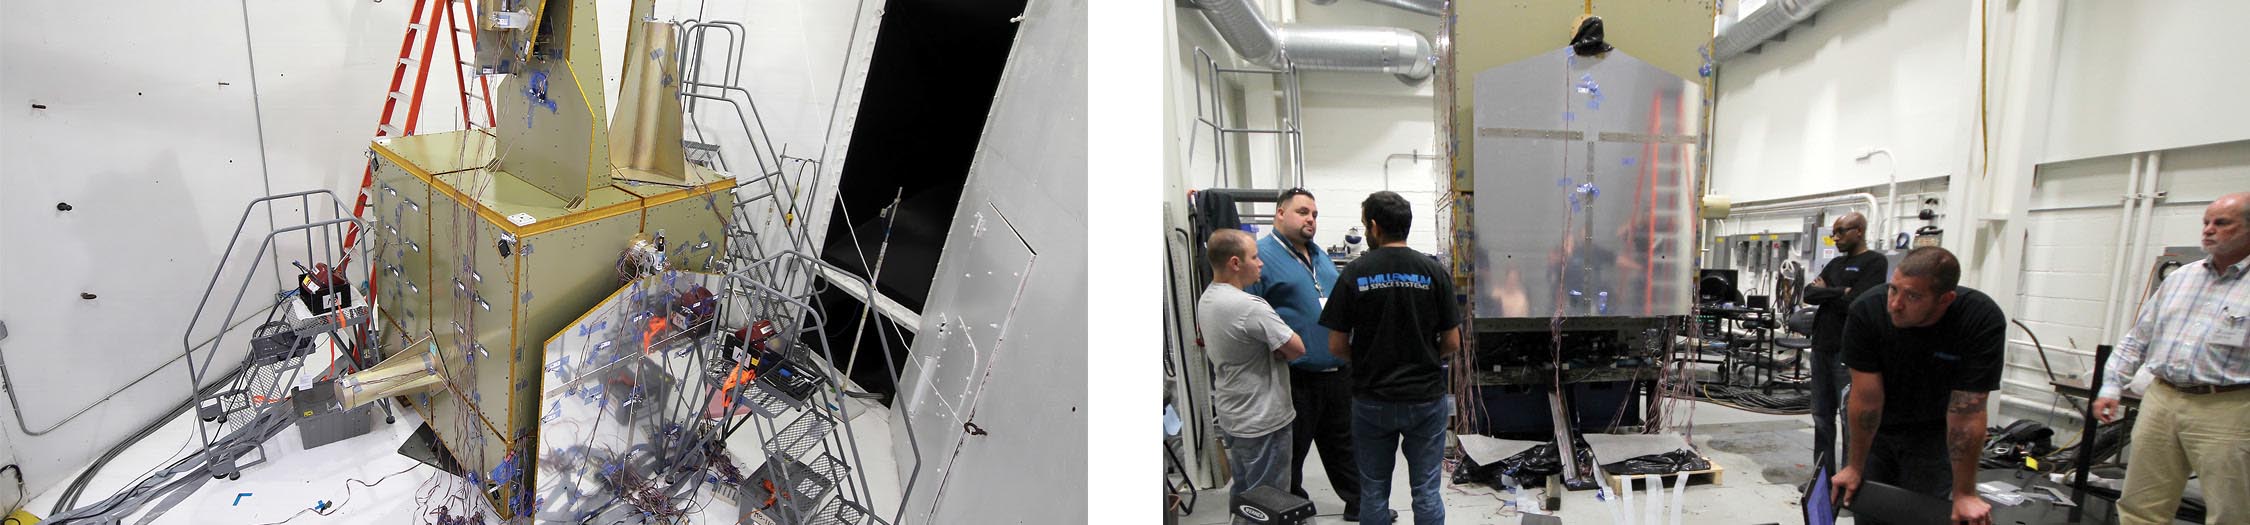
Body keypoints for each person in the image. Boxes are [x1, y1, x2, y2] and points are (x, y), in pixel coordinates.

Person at [2092, 192, 2250, 525]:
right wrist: (2111, 385)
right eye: (2206, 222)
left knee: (2232, 511)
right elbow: (2138, 338)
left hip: (2229, 407)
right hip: (2162, 398)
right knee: (2141, 505)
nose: (2208, 230)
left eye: (2221, 223)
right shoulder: (2181, 278)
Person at [1829, 247, 2004, 525]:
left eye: (1912, 296)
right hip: (1878, 429)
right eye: (1893, 289)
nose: (1895, 304)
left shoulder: (1978, 319)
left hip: (1934, 432)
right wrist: (1854, 466)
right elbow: (1867, 400)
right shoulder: (1868, 311)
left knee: (1921, 514)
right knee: (1869, 509)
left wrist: (1964, 493)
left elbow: (1967, 412)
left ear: (1945, 299)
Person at [1319, 191, 1459, 525]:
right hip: (1425, 398)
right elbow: (1452, 342)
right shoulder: (1433, 271)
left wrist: (1366, 360)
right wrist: (1425, 356)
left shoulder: (1354, 273)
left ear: (1374, 226)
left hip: (1371, 399)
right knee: (1426, 490)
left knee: (1373, 491)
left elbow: (1336, 346)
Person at [1245, 188, 1366, 519]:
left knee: (1345, 444)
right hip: (1294, 375)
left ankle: (1359, 503)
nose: (1310, 219)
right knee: (1292, 449)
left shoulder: (1320, 255)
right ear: (1280, 213)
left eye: (1314, 214)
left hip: (1337, 372)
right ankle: (1291, 507)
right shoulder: (1261, 257)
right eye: (1302, 212)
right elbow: (1248, 314)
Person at [1196, 228, 1308, 524]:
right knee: (1268, 502)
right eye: (1255, 257)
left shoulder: (1208, 298)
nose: (1261, 263)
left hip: (1234, 414)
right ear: (1235, 263)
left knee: (1245, 494)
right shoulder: (1249, 307)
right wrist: (1276, 348)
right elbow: (1296, 348)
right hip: (1263, 419)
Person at [1802, 212, 1887, 473]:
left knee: (1851, 418)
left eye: (1840, 232)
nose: (1835, 238)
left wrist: (1827, 292)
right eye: (1833, 233)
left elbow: (1858, 302)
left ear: (1858, 231)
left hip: (1847, 353)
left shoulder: (1874, 262)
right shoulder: (1836, 264)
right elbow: (1809, 294)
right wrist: (1840, 291)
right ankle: (1822, 478)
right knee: (1821, 416)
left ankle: (1851, 478)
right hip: (1821, 347)